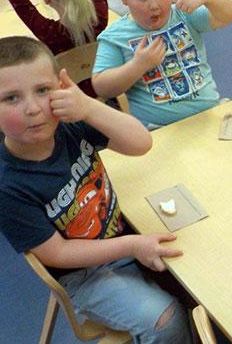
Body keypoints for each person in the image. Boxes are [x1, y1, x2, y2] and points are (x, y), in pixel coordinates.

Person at [0, 36, 193, 343]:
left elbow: (140, 143)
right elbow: (59, 253)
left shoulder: (70, 125)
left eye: (43, 90)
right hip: (85, 274)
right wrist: (131, 246)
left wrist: (88, 106)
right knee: (165, 320)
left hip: (122, 233)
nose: (34, 108)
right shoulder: (8, 186)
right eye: (11, 98)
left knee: (202, 279)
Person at [92, 0, 232, 129]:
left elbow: (227, 15)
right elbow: (101, 87)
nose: (154, 6)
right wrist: (138, 66)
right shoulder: (115, 37)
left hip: (209, 114)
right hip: (158, 129)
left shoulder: (184, 14)